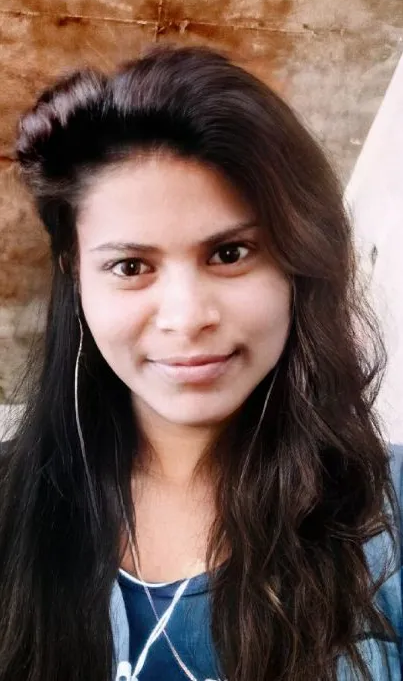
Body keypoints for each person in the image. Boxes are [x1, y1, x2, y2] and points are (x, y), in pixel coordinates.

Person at [0, 44, 401, 681]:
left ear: (297, 262)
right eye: (131, 267)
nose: (186, 319)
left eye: (231, 253)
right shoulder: (11, 500)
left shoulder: (388, 508)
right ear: (75, 276)